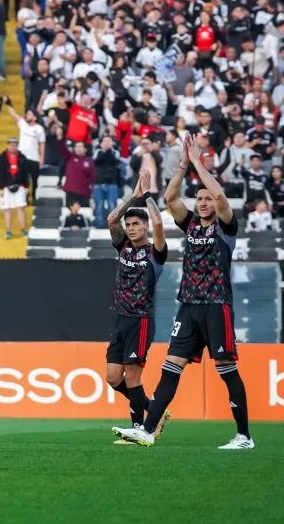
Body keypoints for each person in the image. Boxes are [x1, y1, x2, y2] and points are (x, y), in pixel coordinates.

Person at [114, 136, 253, 449]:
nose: (203, 202)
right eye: (199, 199)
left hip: (217, 306)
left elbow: (219, 194)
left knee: (226, 370)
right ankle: (147, 431)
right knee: (170, 367)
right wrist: (182, 166)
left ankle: (244, 436)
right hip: (188, 307)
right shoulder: (190, 224)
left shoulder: (227, 227)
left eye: (207, 199)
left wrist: (199, 164)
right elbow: (170, 197)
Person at [105, 169, 169, 443]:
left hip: (141, 318)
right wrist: (133, 195)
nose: (130, 228)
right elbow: (111, 219)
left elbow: (158, 224)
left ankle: (139, 428)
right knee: (112, 377)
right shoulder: (124, 248)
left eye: (135, 224)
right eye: (128, 224)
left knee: (132, 375)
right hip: (121, 318)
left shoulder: (155, 253)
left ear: (144, 228)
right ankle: (154, 410)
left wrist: (148, 196)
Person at [0, 137, 29, 239]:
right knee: (7, 209)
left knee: (20, 208)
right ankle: (8, 231)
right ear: (7, 145)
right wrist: (1, 188)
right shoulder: (1, 158)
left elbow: (26, 173)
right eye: (11, 145)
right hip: (6, 186)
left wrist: (26, 187)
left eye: (15, 145)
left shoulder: (22, 157)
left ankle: (23, 230)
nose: (13, 147)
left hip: (20, 185)